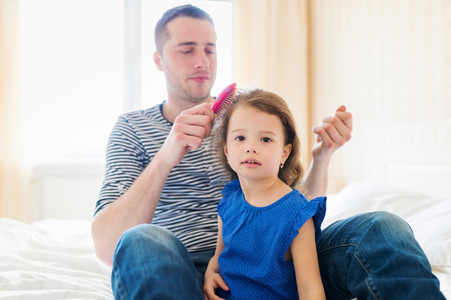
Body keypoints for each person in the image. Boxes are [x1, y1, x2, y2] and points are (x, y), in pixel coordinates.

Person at [91, 4, 445, 300]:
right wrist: (168, 153)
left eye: (210, 49)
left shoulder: (242, 117)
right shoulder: (131, 129)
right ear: (157, 59)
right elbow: (109, 246)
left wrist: (321, 158)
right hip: (179, 270)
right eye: (186, 49)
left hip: (279, 265)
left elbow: (290, 215)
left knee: (381, 229)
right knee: (141, 241)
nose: (202, 61)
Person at [203, 87, 327, 299]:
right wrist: (209, 274)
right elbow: (219, 257)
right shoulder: (229, 201)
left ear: (284, 153)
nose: (251, 147)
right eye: (240, 138)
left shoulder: (297, 213)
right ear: (226, 149)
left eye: (266, 140)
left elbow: (310, 288)